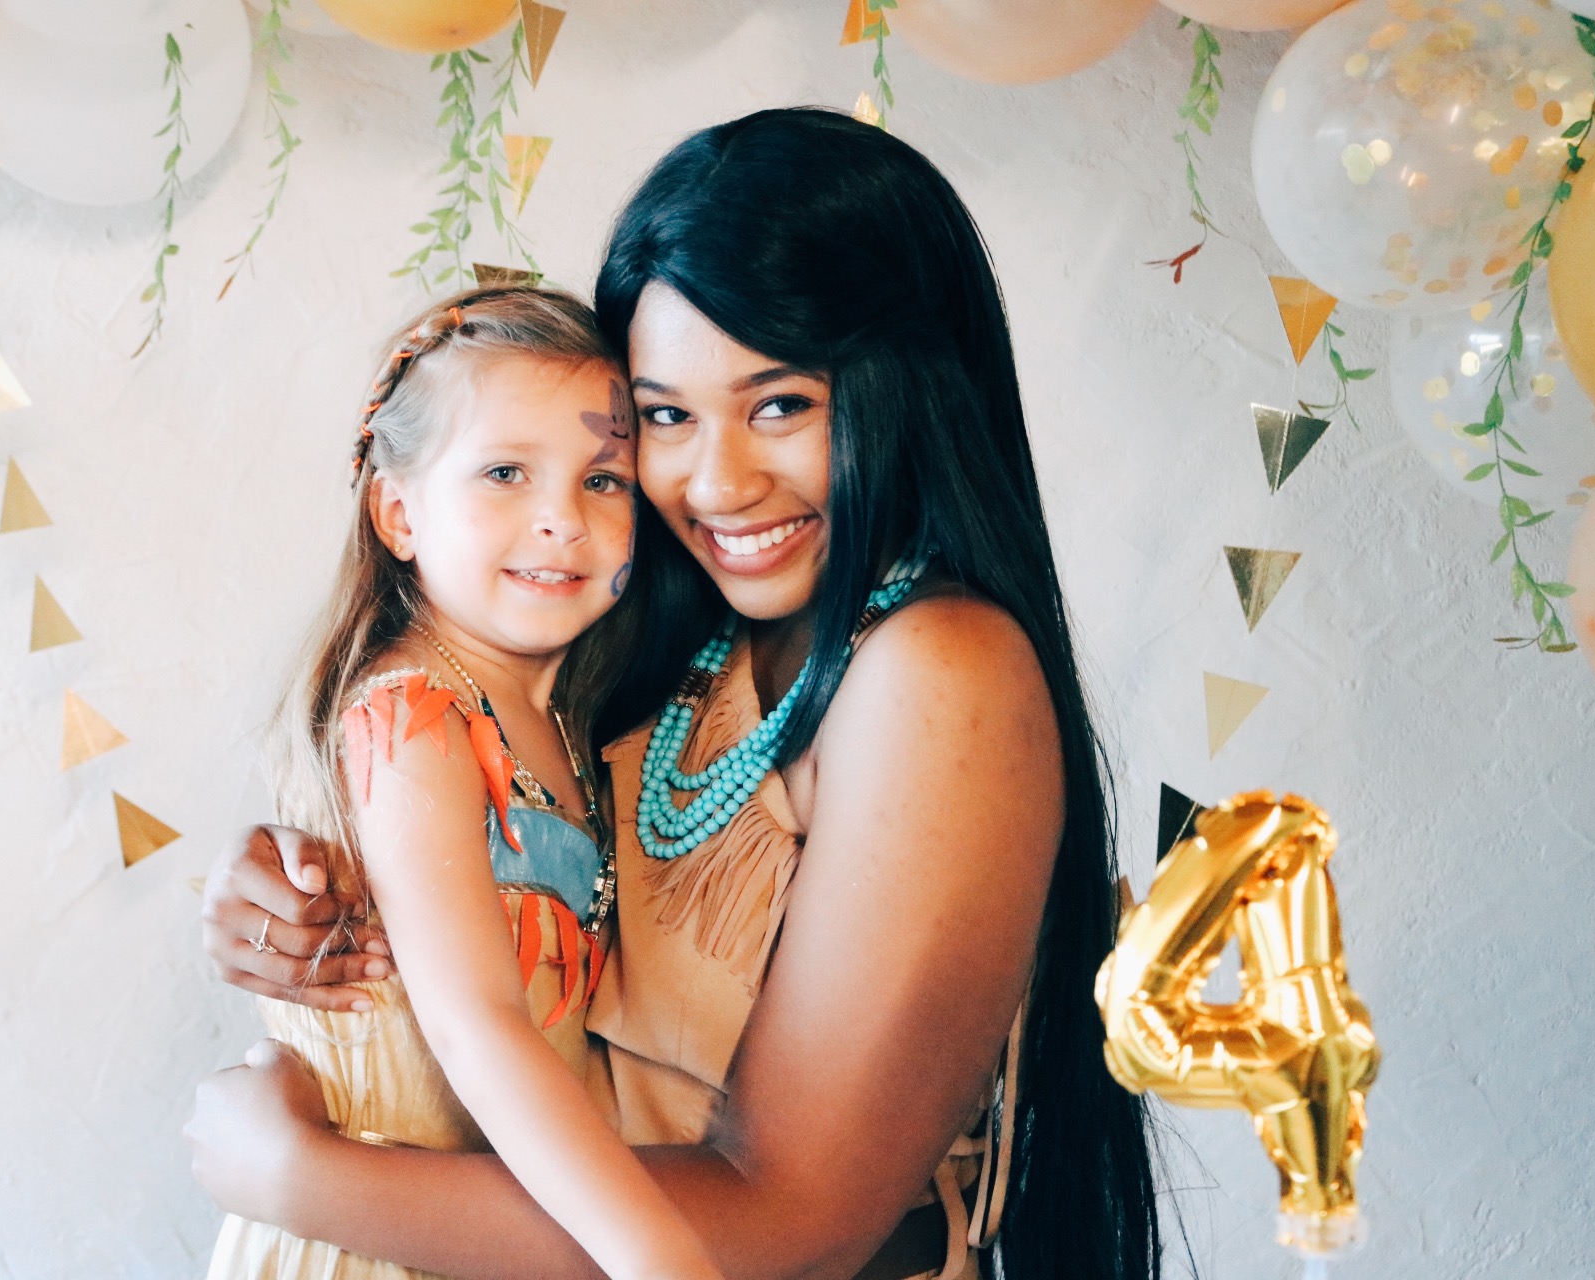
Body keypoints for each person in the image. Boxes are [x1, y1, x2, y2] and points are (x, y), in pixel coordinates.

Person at [188, 108, 1163, 1280]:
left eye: (781, 404)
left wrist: (307, 1181)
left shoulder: (938, 668)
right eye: (664, 416)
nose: (718, 481)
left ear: (908, 384)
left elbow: (797, 1217)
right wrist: (303, 887)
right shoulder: (659, 641)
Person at [202, 286, 722, 1280]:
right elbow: (474, 1021)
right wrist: (656, 1253)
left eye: (603, 480)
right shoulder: (412, 716)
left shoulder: (572, 719)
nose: (561, 519)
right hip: (371, 1241)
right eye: (505, 473)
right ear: (399, 513)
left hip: (485, 1232)